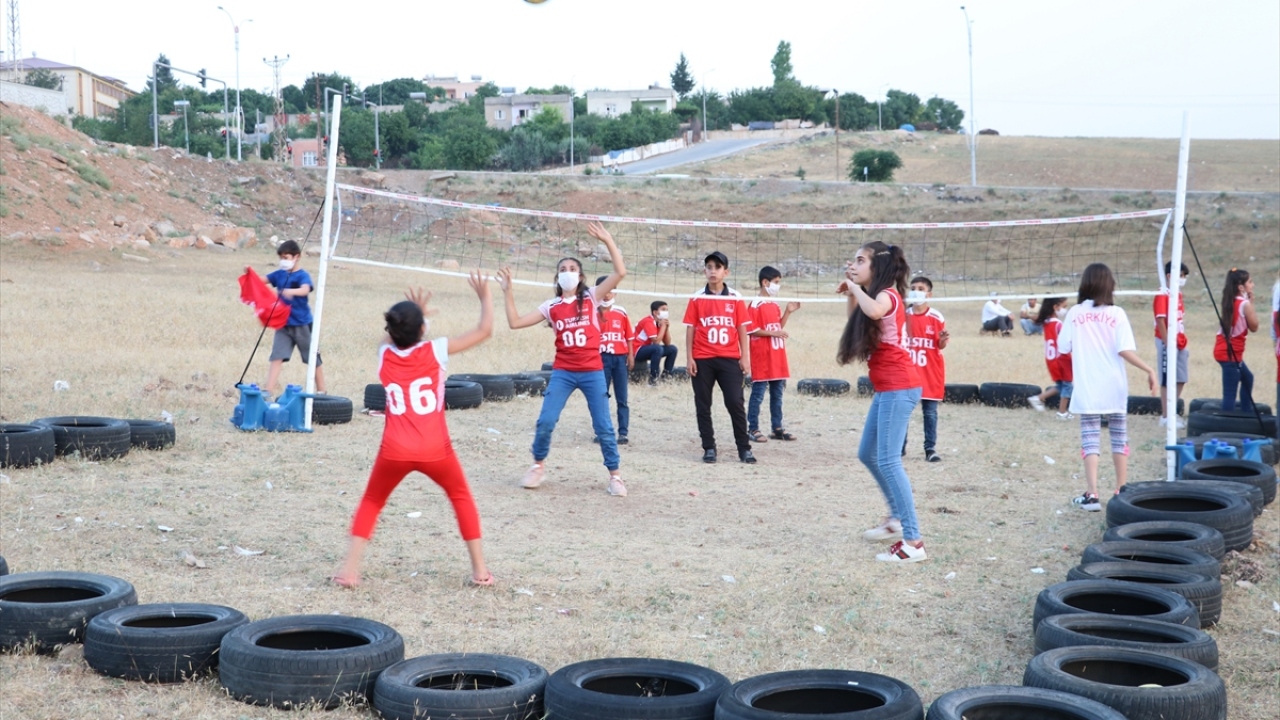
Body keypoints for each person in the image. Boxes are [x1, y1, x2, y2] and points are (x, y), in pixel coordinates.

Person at [333, 273, 494, 588]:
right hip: (435, 449)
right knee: (460, 496)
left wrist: (414, 319)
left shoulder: (385, 353)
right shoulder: (435, 350)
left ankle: (348, 571)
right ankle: (480, 572)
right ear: (422, 330)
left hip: (394, 449)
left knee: (372, 501)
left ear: (392, 331)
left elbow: (392, 337)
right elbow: (484, 330)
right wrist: (485, 296)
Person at [497, 221, 628, 497]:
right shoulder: (551, 306)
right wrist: (508, 291)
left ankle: (615, 476)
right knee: (546, 420)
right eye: (563, 269)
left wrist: (607, 240)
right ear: (557, 278)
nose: (567, 272)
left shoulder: (591, 297)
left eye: (572, 269)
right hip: (564, 372)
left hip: (592, 371)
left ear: (580, 276)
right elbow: (515, 322)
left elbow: (620, 272)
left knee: (603, 426)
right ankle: (537, 465)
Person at [837, 242, 927, 563]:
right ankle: (896, 519)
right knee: (867, 454)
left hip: (899, 386)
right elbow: (858, 319)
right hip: (888, 388)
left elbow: (874, 311)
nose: (854, 265)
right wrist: (852, 292)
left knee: (889, 461)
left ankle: (913, 542)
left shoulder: (887, 295)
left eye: (860, 260)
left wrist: (853, 287)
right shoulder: (874, 296)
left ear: (878, 267)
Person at [1058, 263, 1158, 512]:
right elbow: (1124, 350)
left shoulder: (1074, 313)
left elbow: (1063, 347)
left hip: (1088, 386)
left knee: (1090, 438)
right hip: (1114, 386)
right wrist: (1149, 369)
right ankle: (1120, 491)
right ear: (1108, 284)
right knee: (1119, 437)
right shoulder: (1117, 313)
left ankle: (1092, 495)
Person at [685, 251, 755, 464]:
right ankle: (709, 447)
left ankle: (744, 448)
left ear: (726, 272)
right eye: (709, 267)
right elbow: (691, 328)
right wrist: (689, 358)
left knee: (735, 402)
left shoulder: (735, 297)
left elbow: (742, 328)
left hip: (729, 358)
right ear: (704, 271)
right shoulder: (697, 297)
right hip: (703, 358)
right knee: (703, 404)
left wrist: (745, 357)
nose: (712, 271)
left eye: (717, 267)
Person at [264, 240, 327, 395]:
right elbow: (262, 280)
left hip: (302, 324)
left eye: (286, 257)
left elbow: (305, 289)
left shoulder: (302, 275)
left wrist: (290, 291)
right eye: (281, 258)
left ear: (296, 256)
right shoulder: (279, 274)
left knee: (312, 358)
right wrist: (249, 273)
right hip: (283, 324)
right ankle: (268, 391)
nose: (283, 261)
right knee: (277, 356)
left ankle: (322, 391)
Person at [746, 266, 800, 443]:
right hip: (762, 356)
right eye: (776, 282)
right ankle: (752, 428)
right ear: (765, 282)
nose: (778, 286)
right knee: (758, 394)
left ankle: (777, 428)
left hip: (777, 356)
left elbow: (777, 327)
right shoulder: (755, 304)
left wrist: (788, 312)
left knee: (777, 394)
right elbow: (751, 329)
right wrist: (773, 333)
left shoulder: (774, 304)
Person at [904, 276, 947, 462]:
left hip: (930, 372)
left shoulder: (936, 317)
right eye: (913, 287)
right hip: (908, 372)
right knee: (903, 411)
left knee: (930, 412)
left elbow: (940, 345)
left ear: (929, 294)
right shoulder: (903, 315)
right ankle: (900, 447)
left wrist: (943, 340)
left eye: (921, 288)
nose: (916, 291)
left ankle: (930, 449)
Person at [1212, 268, 1259, 412]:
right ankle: (1228, 421)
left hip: (1225, 350)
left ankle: (1245, 412)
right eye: (1250, 282)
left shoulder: (1230, 300)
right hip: (1230, 354)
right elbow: (1254, 327)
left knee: (1247, 378)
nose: (1253, 285)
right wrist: (1251, 304)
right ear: (1241, 287)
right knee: (1230, 393)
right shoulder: (1244, 304)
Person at [595, 275, 633, 446]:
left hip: (619, 359)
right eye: (604, 290)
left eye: (610, 290)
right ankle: (601, 431)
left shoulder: (621, 312)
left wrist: (630, 355)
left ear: (615, 292)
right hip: (600, 359)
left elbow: (629, 336)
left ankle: (623, 432)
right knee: (601, 396)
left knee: (622, 397)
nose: (607, 294)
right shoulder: (592, 312)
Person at [1154, 262, 1190, 428]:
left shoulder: (1178, 294)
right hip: (1166, 341)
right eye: (1181, 275)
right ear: (1170, 276)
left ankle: (1171, 410)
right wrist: (1168, 342)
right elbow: (1160, 320)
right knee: (1167, 379)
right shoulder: (1162, 294)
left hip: (1179, 339)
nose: (1183, 279)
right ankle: (1166, 416)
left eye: (1184, 276)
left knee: (1181, 377)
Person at [1027, 297, 1074, 420]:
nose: (1065, 310)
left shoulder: (1047, 323)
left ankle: (1038, 398)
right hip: (1061, 359)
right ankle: (1062, 413)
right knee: (1067, 385)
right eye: (1064, 307)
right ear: (1055, 307)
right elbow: (1066, 341)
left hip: (1051, 359)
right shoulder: (1058, 324)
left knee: (1061, 385)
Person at [632, 301, 679, 385]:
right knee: (658, 349)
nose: (666, 312)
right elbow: (656, 341)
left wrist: (666, 328)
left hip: (648, 349)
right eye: (663, 309)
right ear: (655, 312)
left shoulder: (659, 322)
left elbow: (667, 343)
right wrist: (663, 326)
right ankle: (653, 379)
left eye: (667, 310)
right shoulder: (648, 321)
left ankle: (666, 377)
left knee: (672, 349)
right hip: (636, 350)